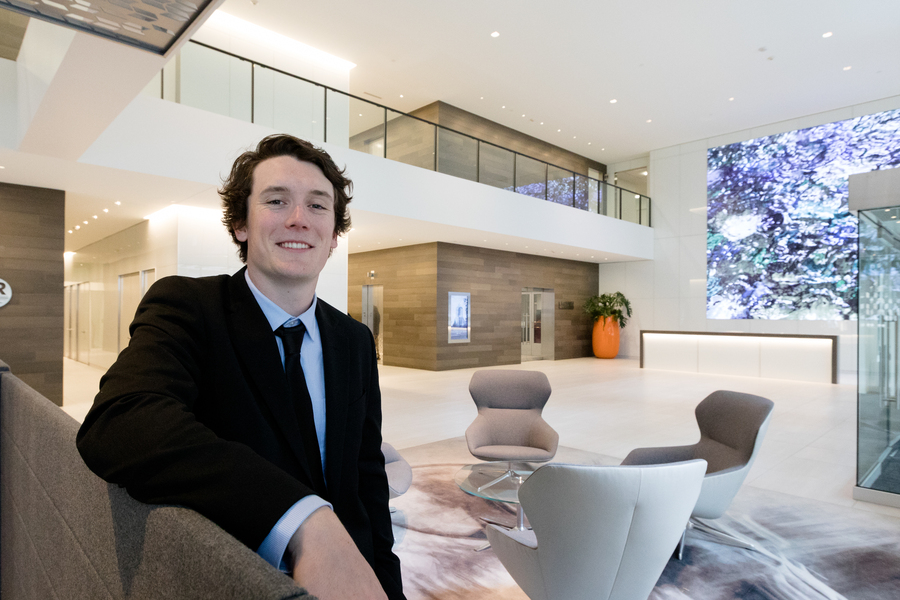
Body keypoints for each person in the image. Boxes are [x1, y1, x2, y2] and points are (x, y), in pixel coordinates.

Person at [77, 134, 404, 600]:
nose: (298, 219)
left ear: (333, 237)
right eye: (276, 200)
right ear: (240, 225)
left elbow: (367, 477)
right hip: (236, 581)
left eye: (317, 206)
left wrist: (389, 585)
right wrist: (301, 515)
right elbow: (119, 421)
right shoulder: (188, 307)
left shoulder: (353, 340)